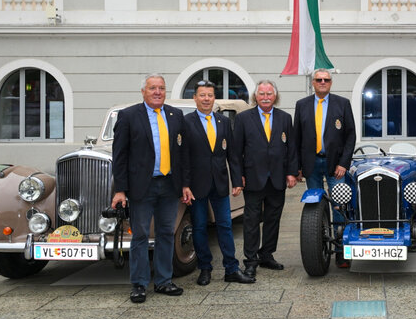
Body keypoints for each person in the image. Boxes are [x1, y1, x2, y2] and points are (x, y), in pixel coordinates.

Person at [111, 74, 185, 303]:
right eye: (153, 88)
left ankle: (163, 281)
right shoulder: (129, 116)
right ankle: (140, 284)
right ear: (143, 91)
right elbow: (120, 156)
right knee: (141, 235)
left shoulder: (175, 115)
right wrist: (120, 190)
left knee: (166, 233)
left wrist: (185, 185)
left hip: (169, 185)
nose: (157, 92)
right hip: (142, 186)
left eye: (161, 88)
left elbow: (182, 154)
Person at [180, 80, 254, 286]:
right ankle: (205, 269)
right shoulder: (186, 123)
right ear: (195, 98)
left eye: (210, 95)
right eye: (202, 95)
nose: (206, 99)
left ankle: (231, 268)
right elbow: (183, 157)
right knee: (200, 228)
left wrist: (237, 180)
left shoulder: (223, 121)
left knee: (225, 226)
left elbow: (233, 154)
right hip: (197, 186)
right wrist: (185, 185)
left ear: (214, 98)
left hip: (220, 183)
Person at [232, 80, 298, 277]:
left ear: (275, 96)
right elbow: (236, 152)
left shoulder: (285, 118)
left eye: (269, 93)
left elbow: (291, 148)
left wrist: (291, 172)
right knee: (251, 221)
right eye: (262, 93)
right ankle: (251, 260)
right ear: (255, 96)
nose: (266, 97)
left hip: (277, 178)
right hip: (253, 178)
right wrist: (238, 178)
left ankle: (267, 255)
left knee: (273, 219)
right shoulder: (244, 119)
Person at [293, 69, 356, 268]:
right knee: (315, 208)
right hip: (311, 165)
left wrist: (343, 164)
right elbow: (296, 139)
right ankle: (318, 244)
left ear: (331, 82)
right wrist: (298, 167)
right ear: (313, 83)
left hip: (335, 166)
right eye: (319, 79)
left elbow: (350, 137)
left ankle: (340, 252)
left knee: (339, 207)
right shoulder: (302, 105)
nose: (322, 82)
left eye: (326, 80)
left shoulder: (342, 104)